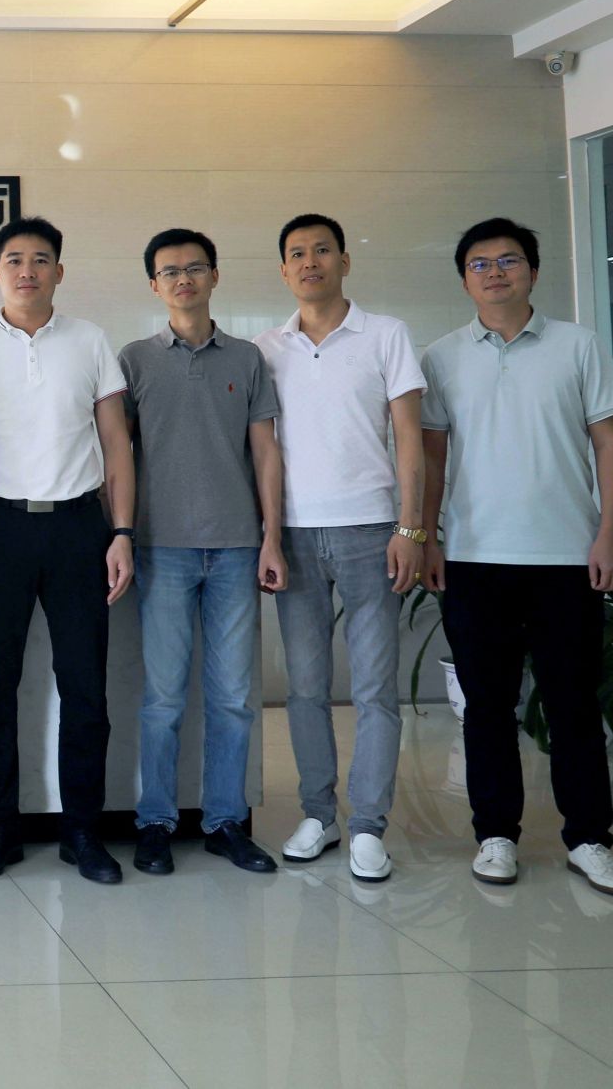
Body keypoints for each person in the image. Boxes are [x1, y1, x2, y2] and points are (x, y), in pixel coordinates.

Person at [420, 217, 613, 897]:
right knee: (486, 707)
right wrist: (426, 537)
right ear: (464, 281)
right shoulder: (442, 357)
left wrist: (608, 535)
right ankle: (496, 836)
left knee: (573, 703)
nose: (495, 272)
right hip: (474, 558)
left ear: (533, 272)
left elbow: (609, 443)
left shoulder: (578, 345)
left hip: (567, 556)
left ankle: (589, 840)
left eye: (509, 260)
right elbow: (432, 456)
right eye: (480, 264)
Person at [0, 216, 134, 886]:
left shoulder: (90, 341)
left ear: (59, 271)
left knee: (85, 687)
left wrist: (122, 532)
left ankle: (82, 832)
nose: (26, 270)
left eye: (39, 259)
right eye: (13, 259)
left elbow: (116, 443)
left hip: (77, 528)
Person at [255, 213, 426, 883]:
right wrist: (270, 534)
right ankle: (319, 815)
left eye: (322, 250)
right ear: (283, 270)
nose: (310, 262)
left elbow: (409, 438)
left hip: (371, 531)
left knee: (376, 687)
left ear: (344, 261)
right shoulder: (267, 348)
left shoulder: (386, 334)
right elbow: (264, 450)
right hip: (295, 535)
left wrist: (410, 528)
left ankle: (370, 826)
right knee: (305, 687)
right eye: (297, 253)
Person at [118, 228, 287, 877]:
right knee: (162, 699)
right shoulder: (134, 360)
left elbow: (266, 452)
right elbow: (117, 457)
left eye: (195, 268)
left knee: (234, 698)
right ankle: (156, 822)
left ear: (215, 276)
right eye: (170, 271)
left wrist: (272, 536)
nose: (183, 279)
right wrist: (120, 534)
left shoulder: (246, 359)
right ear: (153, 285)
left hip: (237, 549)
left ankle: (225, 822)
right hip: (161, 549)